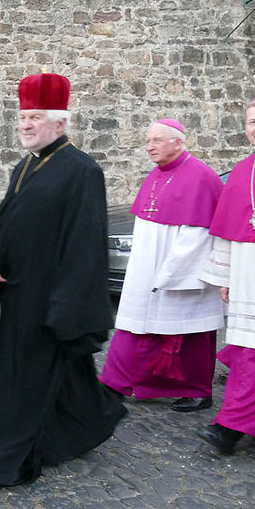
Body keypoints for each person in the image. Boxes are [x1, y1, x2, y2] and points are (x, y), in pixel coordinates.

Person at [0, 72, 126, 487]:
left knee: (27, 381)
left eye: (35, 117)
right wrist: (1, 263)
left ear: (60, 123)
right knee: (65, 377)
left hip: (51, 300)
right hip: (20, 291)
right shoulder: (26, 165)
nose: (25, 124)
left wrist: (66, 308)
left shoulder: (82, 171)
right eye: (22, 116)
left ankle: (12, 462)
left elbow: (84, 246)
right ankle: (91, 422)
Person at [99, 119, 224, 411]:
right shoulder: (156, 174)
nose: (149, 147)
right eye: (148, 141)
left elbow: (198, 234)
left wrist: (171, 273)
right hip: (148, 269)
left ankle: (197, 390)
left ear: (177, 142)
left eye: (156, 141)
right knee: (134, 326)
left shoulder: (201, 178)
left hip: (181, 273)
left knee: (190, 334)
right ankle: (115, 383)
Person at [197, 97, 255, 454]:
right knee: (248, 351)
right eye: (251, 121)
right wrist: (226, 278)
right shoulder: (241, 172)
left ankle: (230, 426)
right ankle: (231, 425)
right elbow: (226, 231)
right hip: (249, 277)